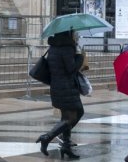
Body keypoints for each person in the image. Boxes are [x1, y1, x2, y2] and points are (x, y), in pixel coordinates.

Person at [36, 30, 85, 159]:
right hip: (67, 87)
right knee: (74, 116)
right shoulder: (67, 48)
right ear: (68, 34)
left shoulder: (54, 47)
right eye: (74, 33)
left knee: (67, 117)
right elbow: (71, 68)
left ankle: (66, 146)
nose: (76, 35)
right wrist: (80, 56)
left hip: (57, 87)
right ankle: (47, 137)